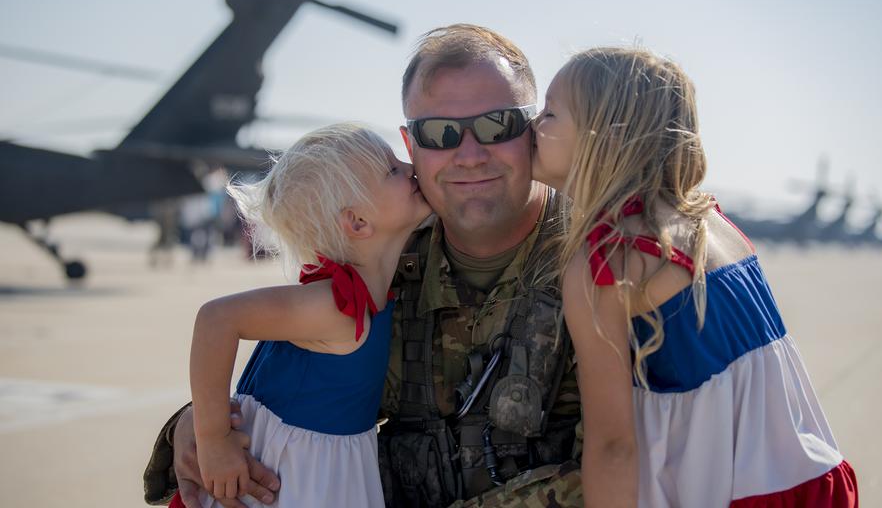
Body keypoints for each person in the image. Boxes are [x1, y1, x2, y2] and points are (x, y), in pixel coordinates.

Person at [143, 25, 584, 508]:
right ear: (409, 145)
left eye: (498, 125)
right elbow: (299, 382)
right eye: (439, 133)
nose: (470, 154)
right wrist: (199, 426)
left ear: (534, 129)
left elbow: (629, 463)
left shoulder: (600, 260)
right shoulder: (383, 249)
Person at [531, 46, 859, 506]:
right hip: (809, 478)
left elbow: (613, 447)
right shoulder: (713, 225)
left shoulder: (610, 261)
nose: (531, 127)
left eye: (549, 113)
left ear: (599, 136)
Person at [176, 123, 432, 507]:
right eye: (392, 170)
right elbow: (217, 318)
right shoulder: (333, 307)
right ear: (358, 223)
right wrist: (213, 440)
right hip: (291, 481)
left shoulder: (361, 297)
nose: (410, 167)